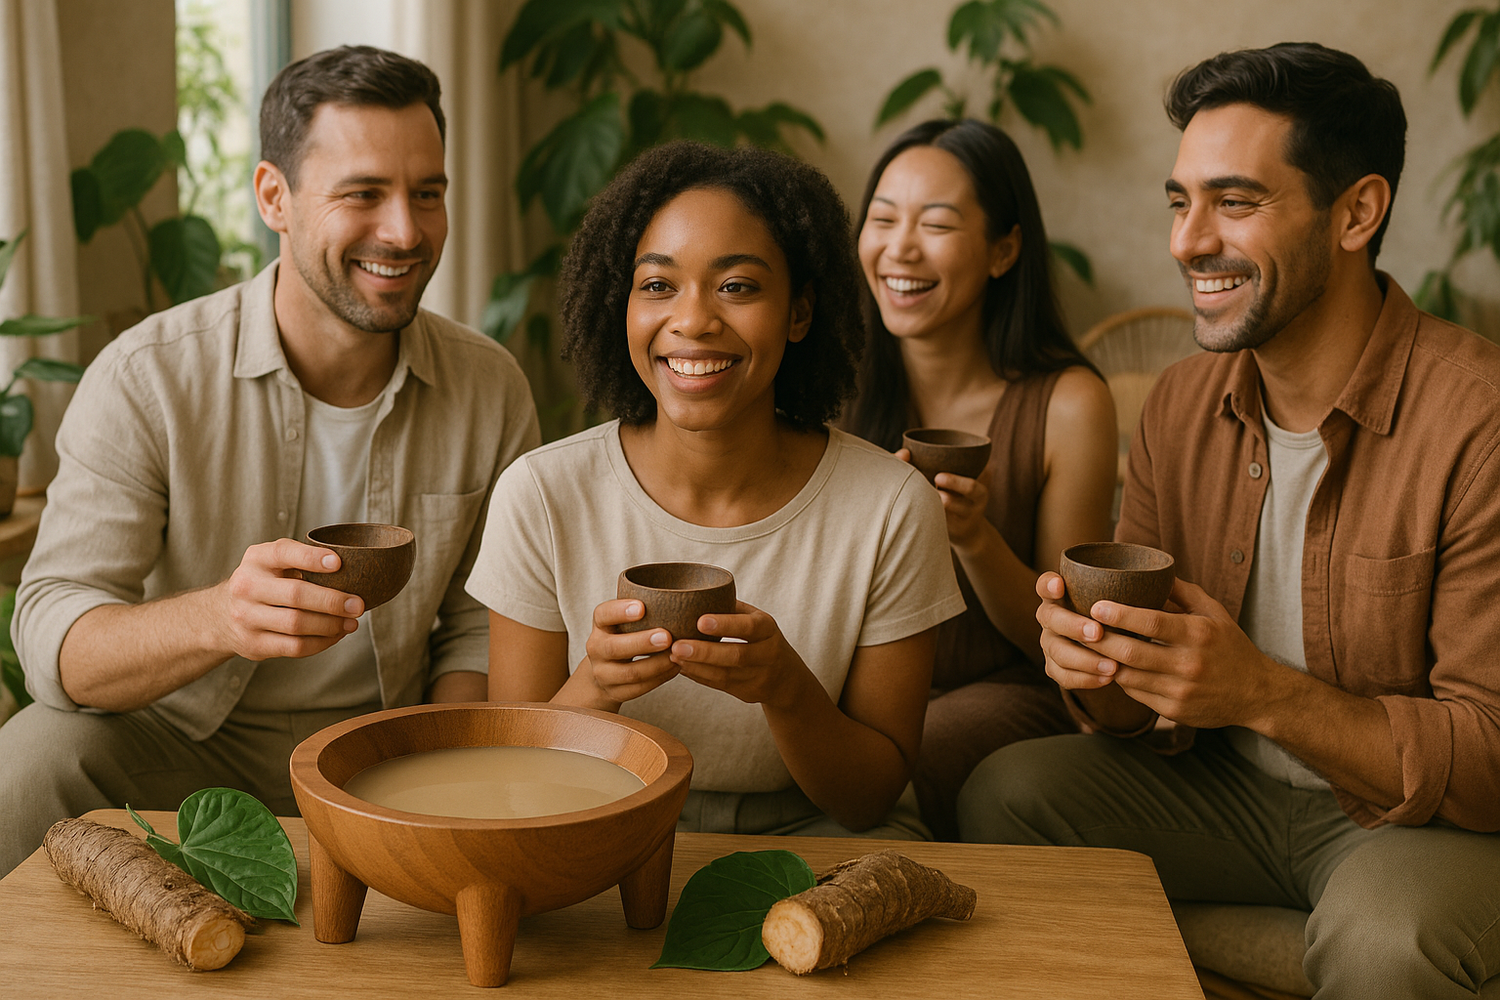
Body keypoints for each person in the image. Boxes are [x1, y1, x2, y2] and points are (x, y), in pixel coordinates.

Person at [957, 43, 1500, 998]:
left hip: (1416, 825)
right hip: (1231, 796)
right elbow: (1141, 718)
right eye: (1180, 200)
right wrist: (1101, 663)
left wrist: (1264, 694)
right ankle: (1279, 948)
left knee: (1383, 943)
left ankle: (1309, 943)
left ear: (1357, 213)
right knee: (1008, 795)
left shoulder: (1480, 419)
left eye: (1236, 203)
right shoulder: (1179, 404)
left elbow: (1492, 752)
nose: (1187, 242)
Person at [0, 45, 540, 876]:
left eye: (426, 193)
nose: (404, 230)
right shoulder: (148, 376)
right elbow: (50, 637)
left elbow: (476, 626)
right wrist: (220, 617)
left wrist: (444, 763)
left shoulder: (489, 385)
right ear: (274, 198)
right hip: (185, 748)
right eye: (363, 194)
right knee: (34, 754)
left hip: (387, 747)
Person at [467, 141, 965, 839]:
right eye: (658, 285)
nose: (694, 320)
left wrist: (785, 688)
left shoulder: (889, 507)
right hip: (598, 822)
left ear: (798, 314)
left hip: (820, 832)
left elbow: (869, 799)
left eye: (737, 287)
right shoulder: (542, 494)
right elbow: (513, 778)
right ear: (623, 306)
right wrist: (598, 684)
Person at [844, 119, 1116, 839]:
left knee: (891, 759)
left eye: (935, 225)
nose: (900, 248)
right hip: (855, 685)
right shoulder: (831, 390)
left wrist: (972, 536)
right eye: (882, 219)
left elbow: (1067, 645)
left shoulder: (1069, 404)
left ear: (1004, 250)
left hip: (1004, 690)